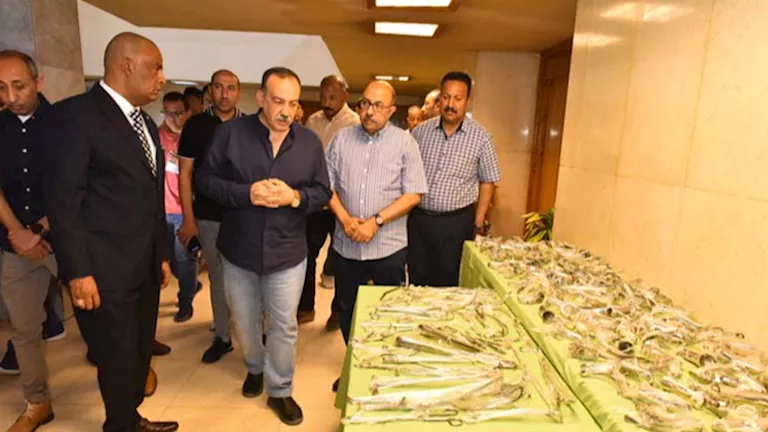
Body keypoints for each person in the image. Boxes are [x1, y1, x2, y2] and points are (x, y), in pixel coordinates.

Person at [43, 32, 178, 432]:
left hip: (144, 264)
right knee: (116, 355)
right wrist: (78, 271)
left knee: (139, 348)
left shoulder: (145, 123)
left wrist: (161, 254)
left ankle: (130, 417)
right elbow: (64, 202)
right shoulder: (75, 116)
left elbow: (152, 198)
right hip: (103, 269)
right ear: (126, 65)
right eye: (155, 67)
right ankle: (120, 425)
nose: (161, 78)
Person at [197, 67, 331, 426]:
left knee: (284, 325)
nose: (286, 111)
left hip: (287, 252)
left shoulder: (309, 142)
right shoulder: (230, 134)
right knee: (245, 321)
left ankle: (280, 390)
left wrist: (294, 197)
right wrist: (246, 193)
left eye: (293, 103)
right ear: (260, 98)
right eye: (278, 101)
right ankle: (255, 368)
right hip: (238, 251)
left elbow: (322, 192)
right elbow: (205, 180)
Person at [325, 80, 427, 391]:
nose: (369, 111)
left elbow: (414, 193)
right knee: (348, 310)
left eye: (378, 106)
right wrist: (345, 219)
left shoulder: (405, 143)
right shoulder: (341, 139)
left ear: (391, 110)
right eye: (365, 103)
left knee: (387, 312)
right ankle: (355, 366)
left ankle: (384, 372)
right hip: (346, 245)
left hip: (388, 248)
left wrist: (376, 222)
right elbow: (325, 186)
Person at [0, 49, 60, 432]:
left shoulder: (66, 123)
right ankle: (38, 402)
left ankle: (127, 380)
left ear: (38, 82)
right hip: (14, 245)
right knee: (23, 329)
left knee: (101, 317)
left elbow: (75, 185)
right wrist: (16, 232)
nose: (11, 96)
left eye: (19, 86)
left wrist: (37, 230)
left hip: (65, 240)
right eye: (1, 88)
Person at [409, 72, 501, 288]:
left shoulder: (482, 138)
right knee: (417, 280)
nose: (451, 104)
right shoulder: (420, 133)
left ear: (468, 101)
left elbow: (487, 181)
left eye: (458, 99)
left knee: (450, 283)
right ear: (440, 99)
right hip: (419, 220)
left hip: (456, 223)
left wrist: (478, 222)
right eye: (446, 97)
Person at [177, 69, 245, 364]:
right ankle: (223, 337)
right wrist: (188, 220)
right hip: (208, 215)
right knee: (218, 276)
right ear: (210, 91)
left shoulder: (250, 127)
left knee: (248, 277)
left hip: (244, 216)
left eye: (231, 88)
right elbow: (184, 173)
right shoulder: (196, 126)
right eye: (218, 87)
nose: (224, 94)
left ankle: (254, 331)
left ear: (238, 93)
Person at [301, 75, 360, 330]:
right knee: (306, 254)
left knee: (340, 259)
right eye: (323, 97)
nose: (327, 102)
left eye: (333, 97)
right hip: (315, 201)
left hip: (341, 204)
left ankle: (338, 310)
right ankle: (305, 307)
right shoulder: (312, 121)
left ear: (345, 96)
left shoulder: (354, 123)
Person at [159, 91, 200, 322]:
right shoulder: (157, 136)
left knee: (185, 259)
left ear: (187, 113)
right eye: (168, 113)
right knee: (170, 262)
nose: (173, 118)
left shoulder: (193, 137)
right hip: (161, 209)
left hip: (184, 211)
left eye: (178, 113)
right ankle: (192, 284)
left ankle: (186, 303)